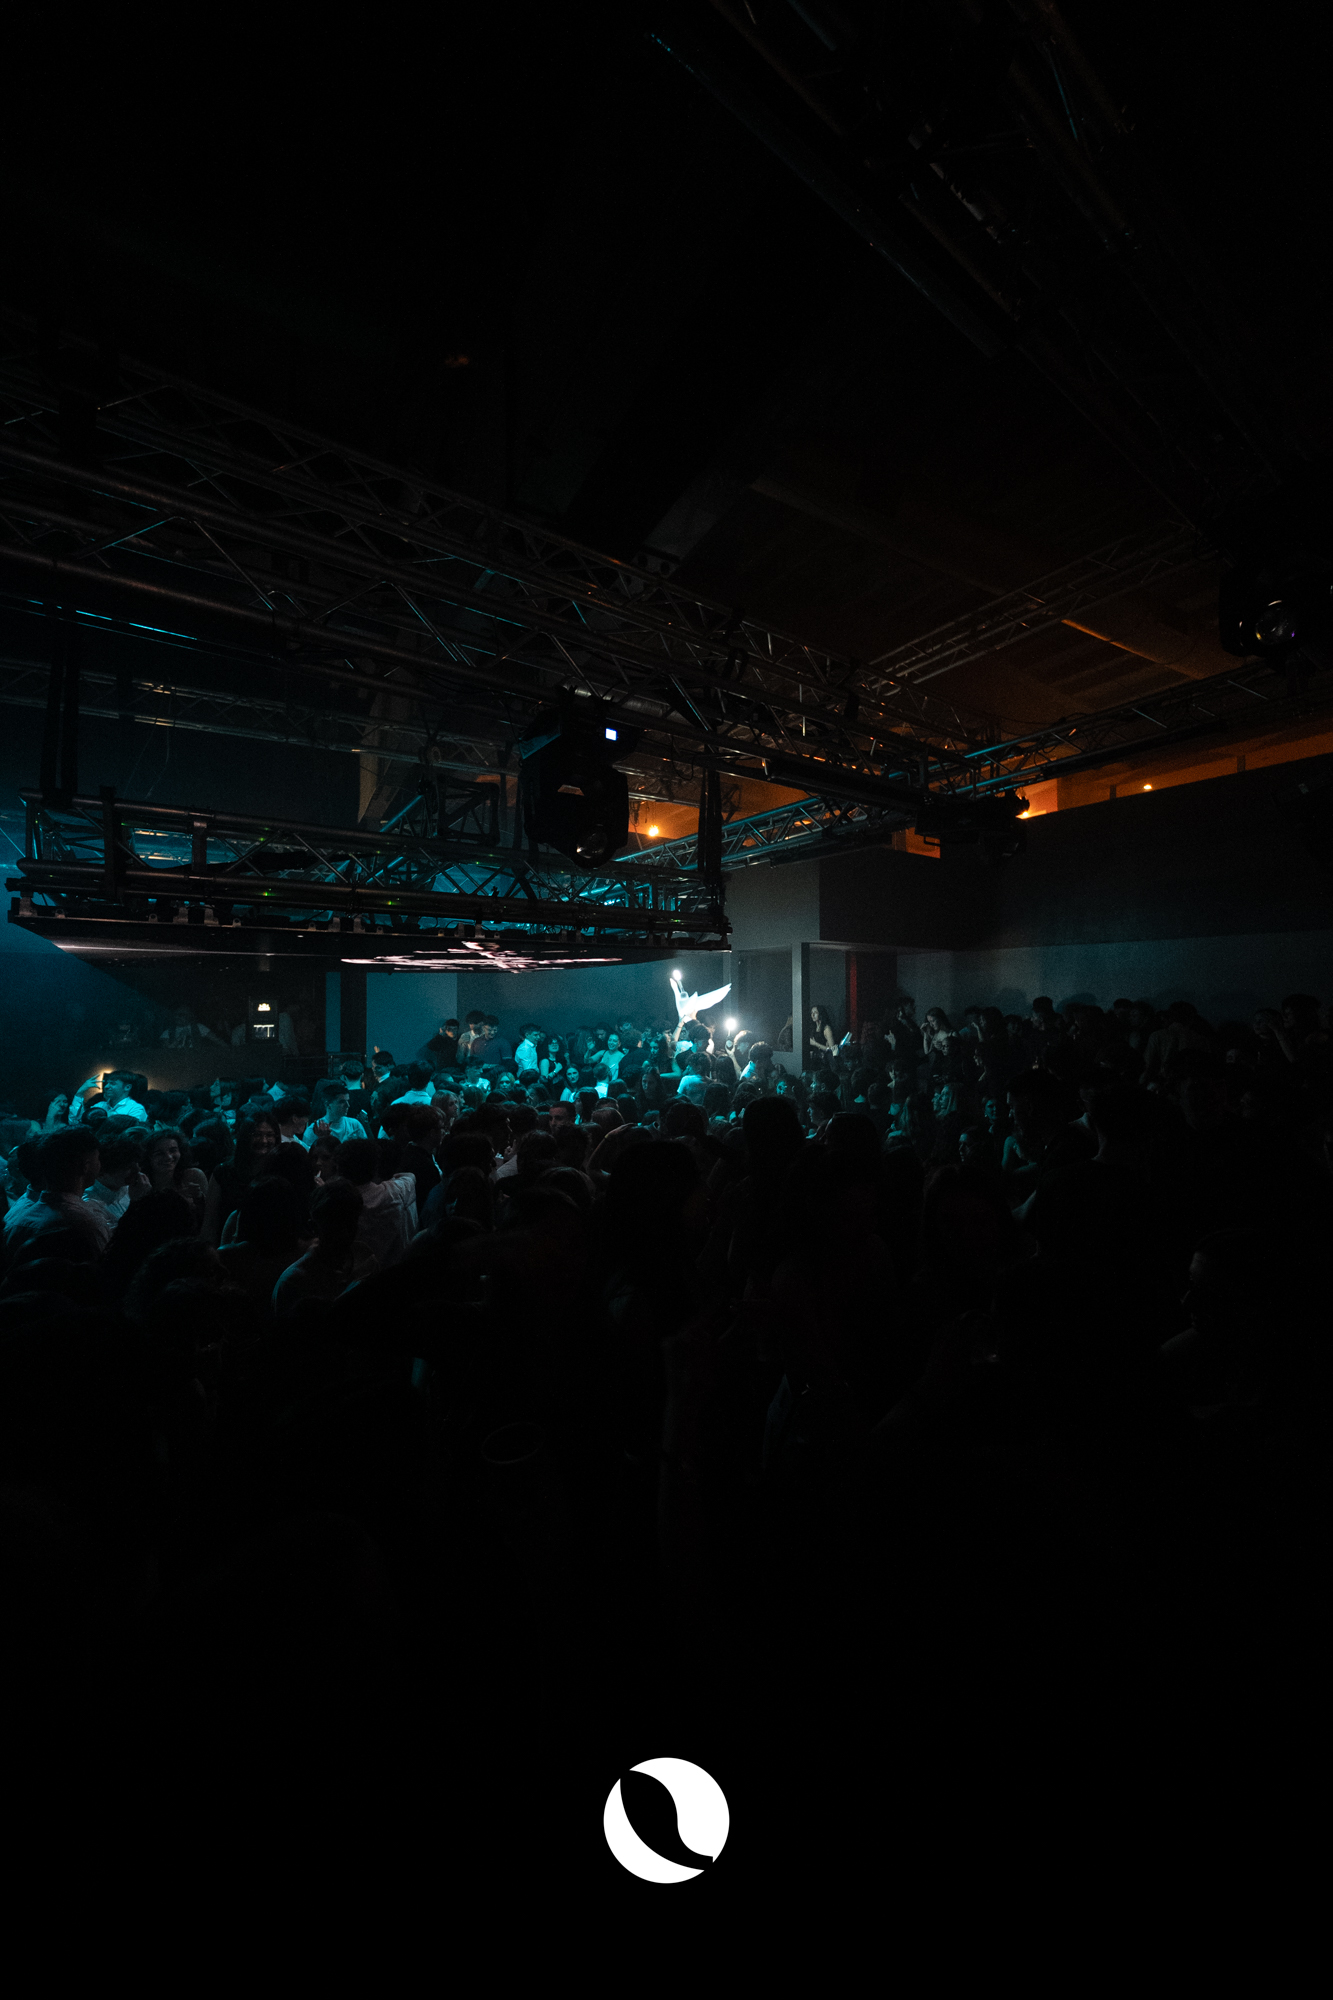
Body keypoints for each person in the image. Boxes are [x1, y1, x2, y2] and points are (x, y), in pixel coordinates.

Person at [3, 1126, 110, 1262]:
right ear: (85, 1166)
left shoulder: (20, 1221)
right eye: (98, 1158)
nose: (100, 1164)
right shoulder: (85, 1224)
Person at [272, 1181, 371, 1314]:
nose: (344, 1233)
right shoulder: (293, 1282)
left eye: (350, 1223)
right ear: (313, 1227)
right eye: (335, 1226)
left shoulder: (365, 1257)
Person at [329, 1136, 418, 1269]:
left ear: (339, 1169)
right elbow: (410, 1176)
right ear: (375, 1167)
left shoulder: (337, 1204)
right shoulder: (396, 1190)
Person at [83, 1132, 151, 1230]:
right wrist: (136, 1202)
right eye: (128, 1167)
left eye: (137, 1163)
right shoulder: (90, 1203)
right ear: (103, 1171)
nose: (137, 1170)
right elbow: (117, 1236)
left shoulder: (128, 1188)